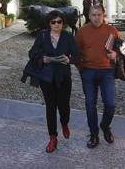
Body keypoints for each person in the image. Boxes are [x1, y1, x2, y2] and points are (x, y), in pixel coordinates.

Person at [28, 10, 79, 153]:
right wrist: (42, 59)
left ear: (63, 23)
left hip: (63, 77)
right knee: (50, 106)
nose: (56, 24)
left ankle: (64, 123)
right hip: (47, 77)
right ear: (49, 23)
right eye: (53, 22)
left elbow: (77, 56)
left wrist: (69, 59)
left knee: (64, 106)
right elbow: (32, 53)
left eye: (59, 22)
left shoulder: (68, 37)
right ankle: (53, 137)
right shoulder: (42, 36)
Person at [75, 5, 121, 148]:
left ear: (103, 15)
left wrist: (116, 55)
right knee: (90, 104)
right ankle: (94, 134)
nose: (96, 17)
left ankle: (105, 126)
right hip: (88, 72)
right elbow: (76, 52)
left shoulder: (112, 31)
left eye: (99, 15)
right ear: (89, 16)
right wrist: (81, 69)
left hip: (107, 72)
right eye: (94, 15)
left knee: (110, 104)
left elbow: (122, 49)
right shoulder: (82, 31)